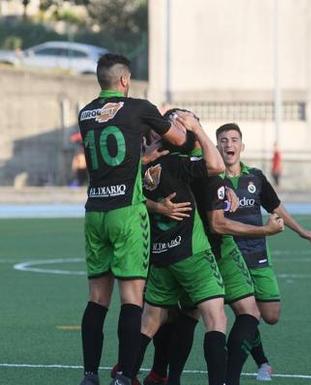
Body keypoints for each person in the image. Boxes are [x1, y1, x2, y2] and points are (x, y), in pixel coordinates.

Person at [140, 109, 285, 385]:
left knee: (182, 315)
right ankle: (225, 380)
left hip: (175, 250)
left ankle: (160, 375)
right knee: (237, 314)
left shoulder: (170, 161)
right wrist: (265, 229)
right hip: (205, 252)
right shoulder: (200, 162)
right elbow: (218, 222)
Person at [77, 53, 187, 385]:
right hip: (127, 212)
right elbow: (179, 139)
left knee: (97, 299)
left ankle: (90, 375)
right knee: (132, 298)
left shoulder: (85, 114)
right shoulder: (139, 108)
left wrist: (139, 158)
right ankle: (125, 375)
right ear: (125, 80)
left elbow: (113, 157)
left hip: (95, 211)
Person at [216, 123, 311, 381]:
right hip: (229, 257)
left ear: (242, 146)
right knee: (246, 313)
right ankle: (247, 366)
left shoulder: (256, 177)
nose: (229, 145)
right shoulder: (211, 179)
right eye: (223, 140)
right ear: (217, 146)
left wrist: (300, 230)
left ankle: (260, 360)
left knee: (271, 315)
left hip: (258, 254)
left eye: (234, 140)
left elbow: (276, 207)